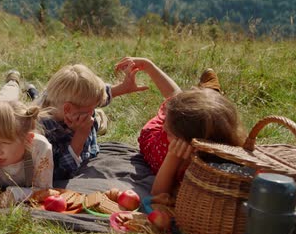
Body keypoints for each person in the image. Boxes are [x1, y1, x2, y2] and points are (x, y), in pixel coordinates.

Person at [114, 57, 246, 195]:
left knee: (186, 107)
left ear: (193, 143)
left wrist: (173, 157)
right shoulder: (175, 135)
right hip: (156, 135)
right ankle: (207, 96)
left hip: (162, 138)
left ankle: (207, 95)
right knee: (180, 102)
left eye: (169, 132)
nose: (164, 128)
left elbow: (158, 193)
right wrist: (148, 66)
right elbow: (173, 96)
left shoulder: (190, 156)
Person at [37, 64, 142, 180]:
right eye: (89, 111)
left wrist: (123, 88)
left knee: (95, 114)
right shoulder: (43, 132)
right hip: (75, 159)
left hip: (84, 129)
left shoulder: (73, 105)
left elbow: (96, 97)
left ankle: (100, 118)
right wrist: (81, 134)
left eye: (94, 107)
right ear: (67, 109)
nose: (91, 112)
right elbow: (59, 173)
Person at [0, 100, 53, 205]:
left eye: (5, 143)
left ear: (28, 139)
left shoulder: (40, 148)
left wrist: (15, 194)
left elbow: (45, 192)